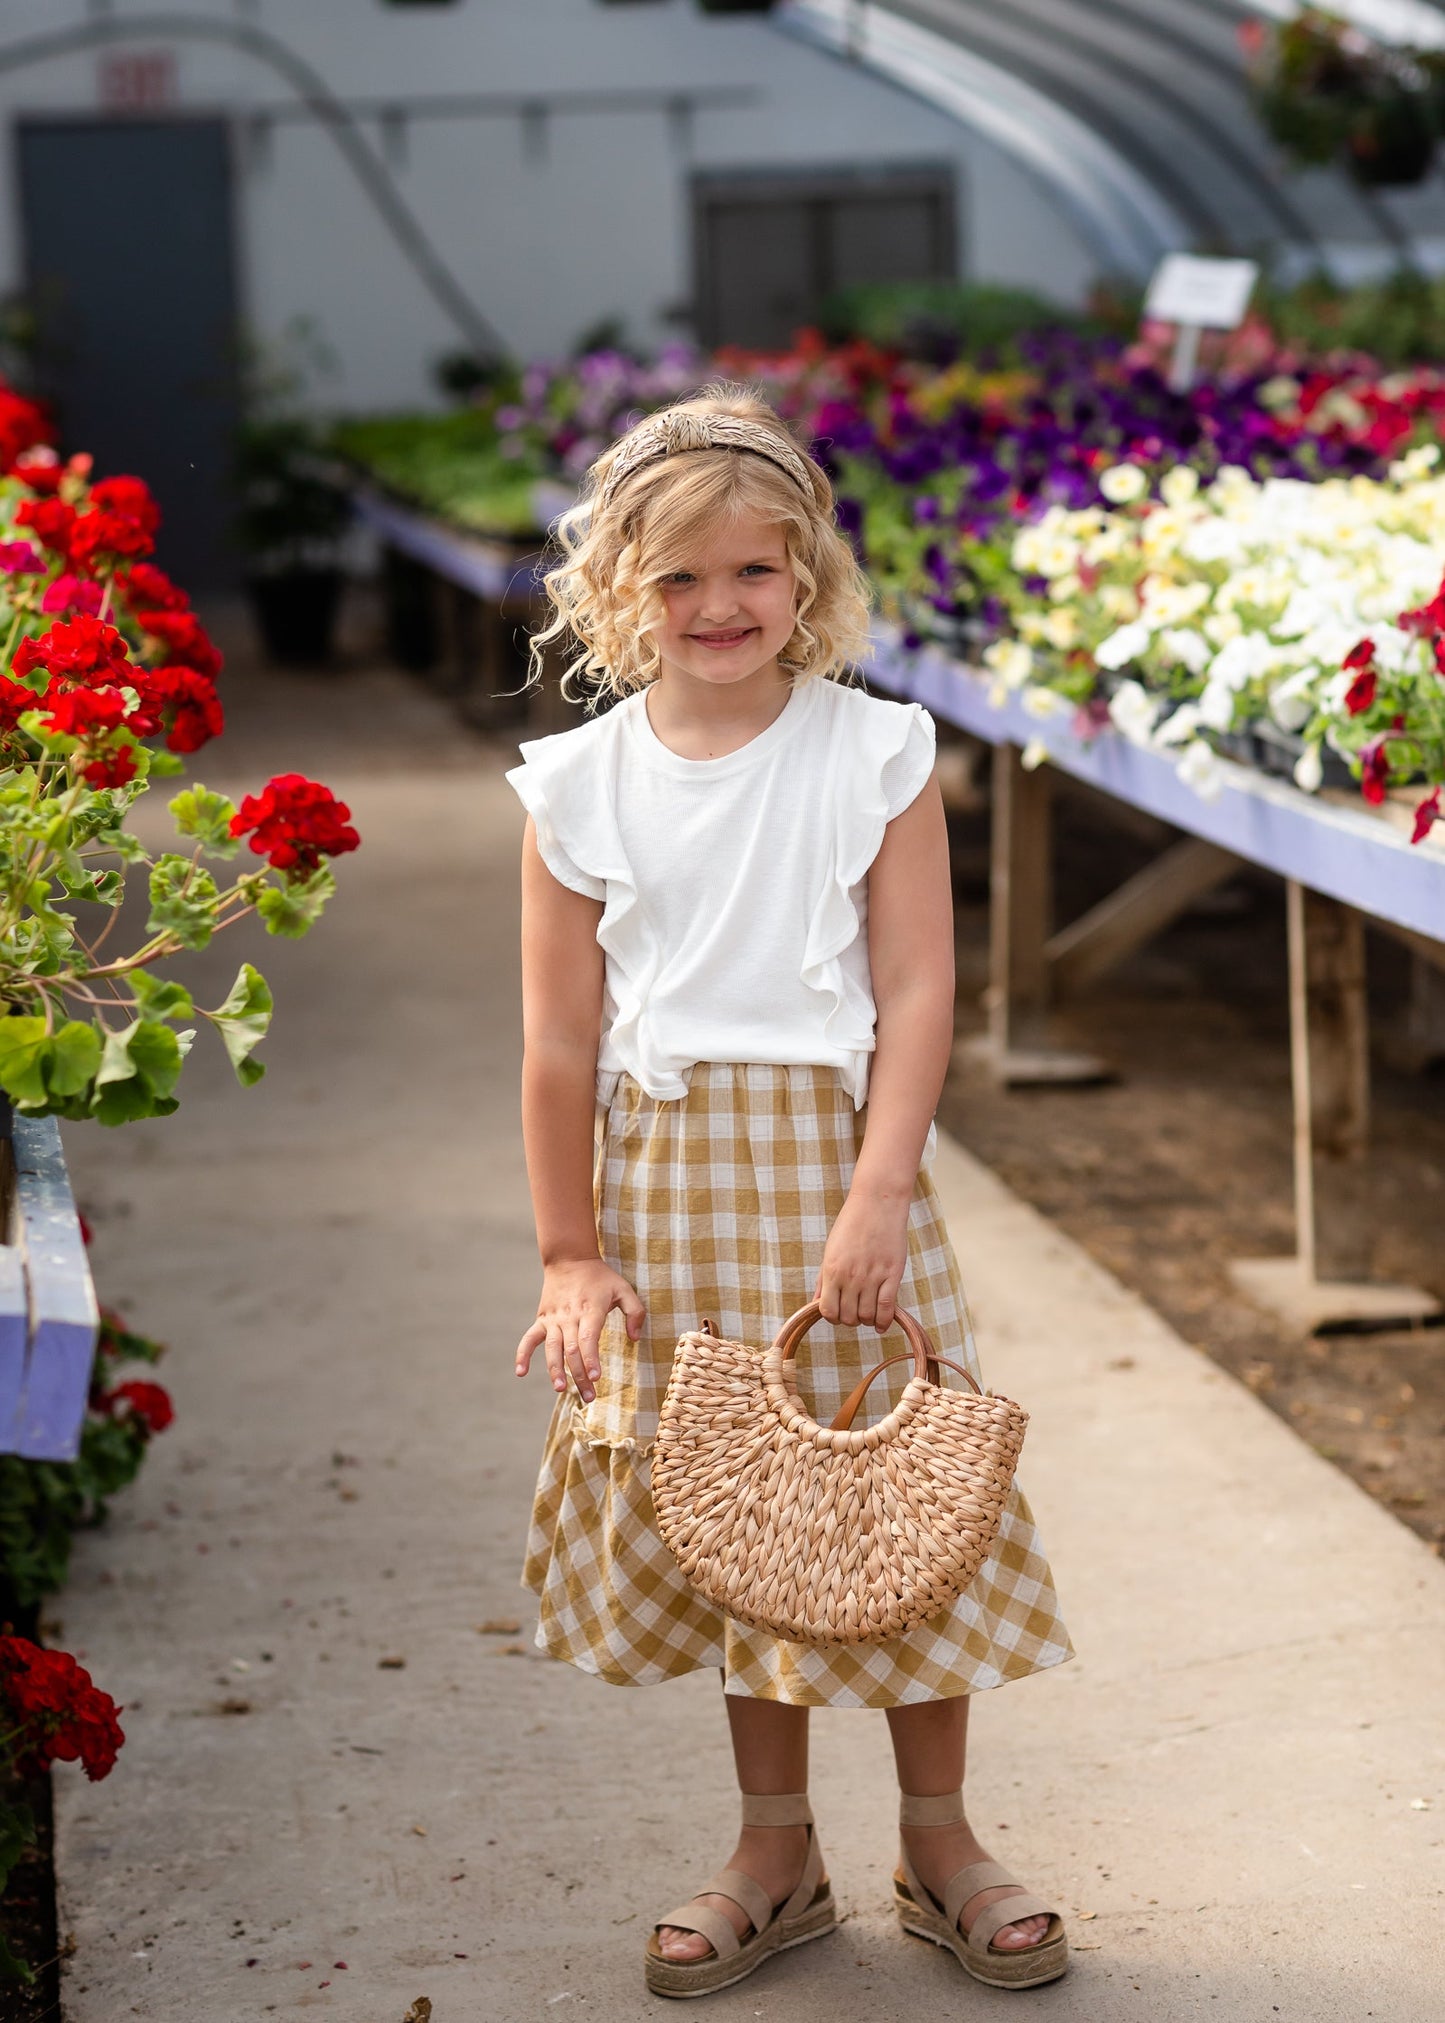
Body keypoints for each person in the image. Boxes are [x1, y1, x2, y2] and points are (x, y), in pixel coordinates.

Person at [508, 386, 1072, 1999]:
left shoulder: (872, 750)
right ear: (617, 586)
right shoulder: (577, 785)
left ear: (807, 579)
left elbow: (917, 987)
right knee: (739, 1516)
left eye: (755, 571)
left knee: (897, 1499)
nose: (719, 607)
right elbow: (557, 1042)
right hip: (665, 1183)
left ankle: (941, 1840)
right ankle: (776, 1851)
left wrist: (880, 1190)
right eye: (679, 579)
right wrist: (568, 1252)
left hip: (839, 1169)